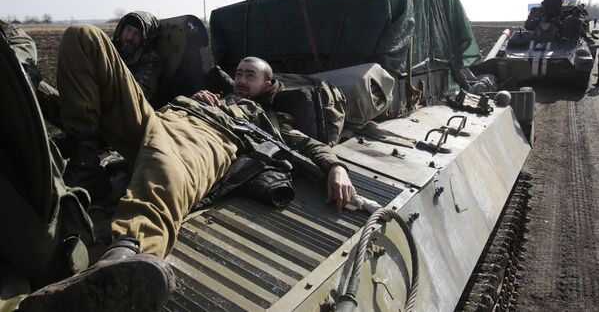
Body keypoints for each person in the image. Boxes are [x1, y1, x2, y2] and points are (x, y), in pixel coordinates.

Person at [19, 24, 355, 310]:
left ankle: (122, 262)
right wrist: (194, 100)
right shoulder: (211, 95)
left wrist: (335, 168)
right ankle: (85, 162)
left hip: (207, 136)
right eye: (237, 72)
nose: (239, 79)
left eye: (249, 75)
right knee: (84, 37)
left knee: (166, 170)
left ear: (267, 85)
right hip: (163, 118)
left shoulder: (271, 119)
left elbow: (308, 144)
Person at [61, 11, 161, 203]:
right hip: (96, 112)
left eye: (136, 34)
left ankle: (86, 166)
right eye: (128, 30)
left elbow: (138, 95)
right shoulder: (111, 50)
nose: (129, 37)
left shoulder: (150, 61)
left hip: (126, 115)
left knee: (82, 34)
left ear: (144, 39)